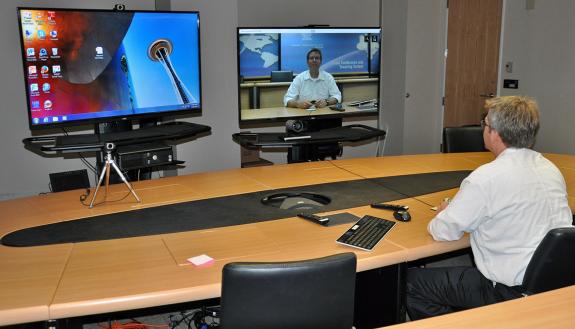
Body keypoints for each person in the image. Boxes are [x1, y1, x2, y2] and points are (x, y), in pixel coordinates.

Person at [406, 96, 572, 320]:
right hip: (555, 282)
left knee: (408, 284)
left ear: (496, 133)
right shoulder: (550, 169)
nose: (482, 128)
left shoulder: (486, 178)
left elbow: (443, 231)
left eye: (485, 124)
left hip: (508, 290)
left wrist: (445, 212)